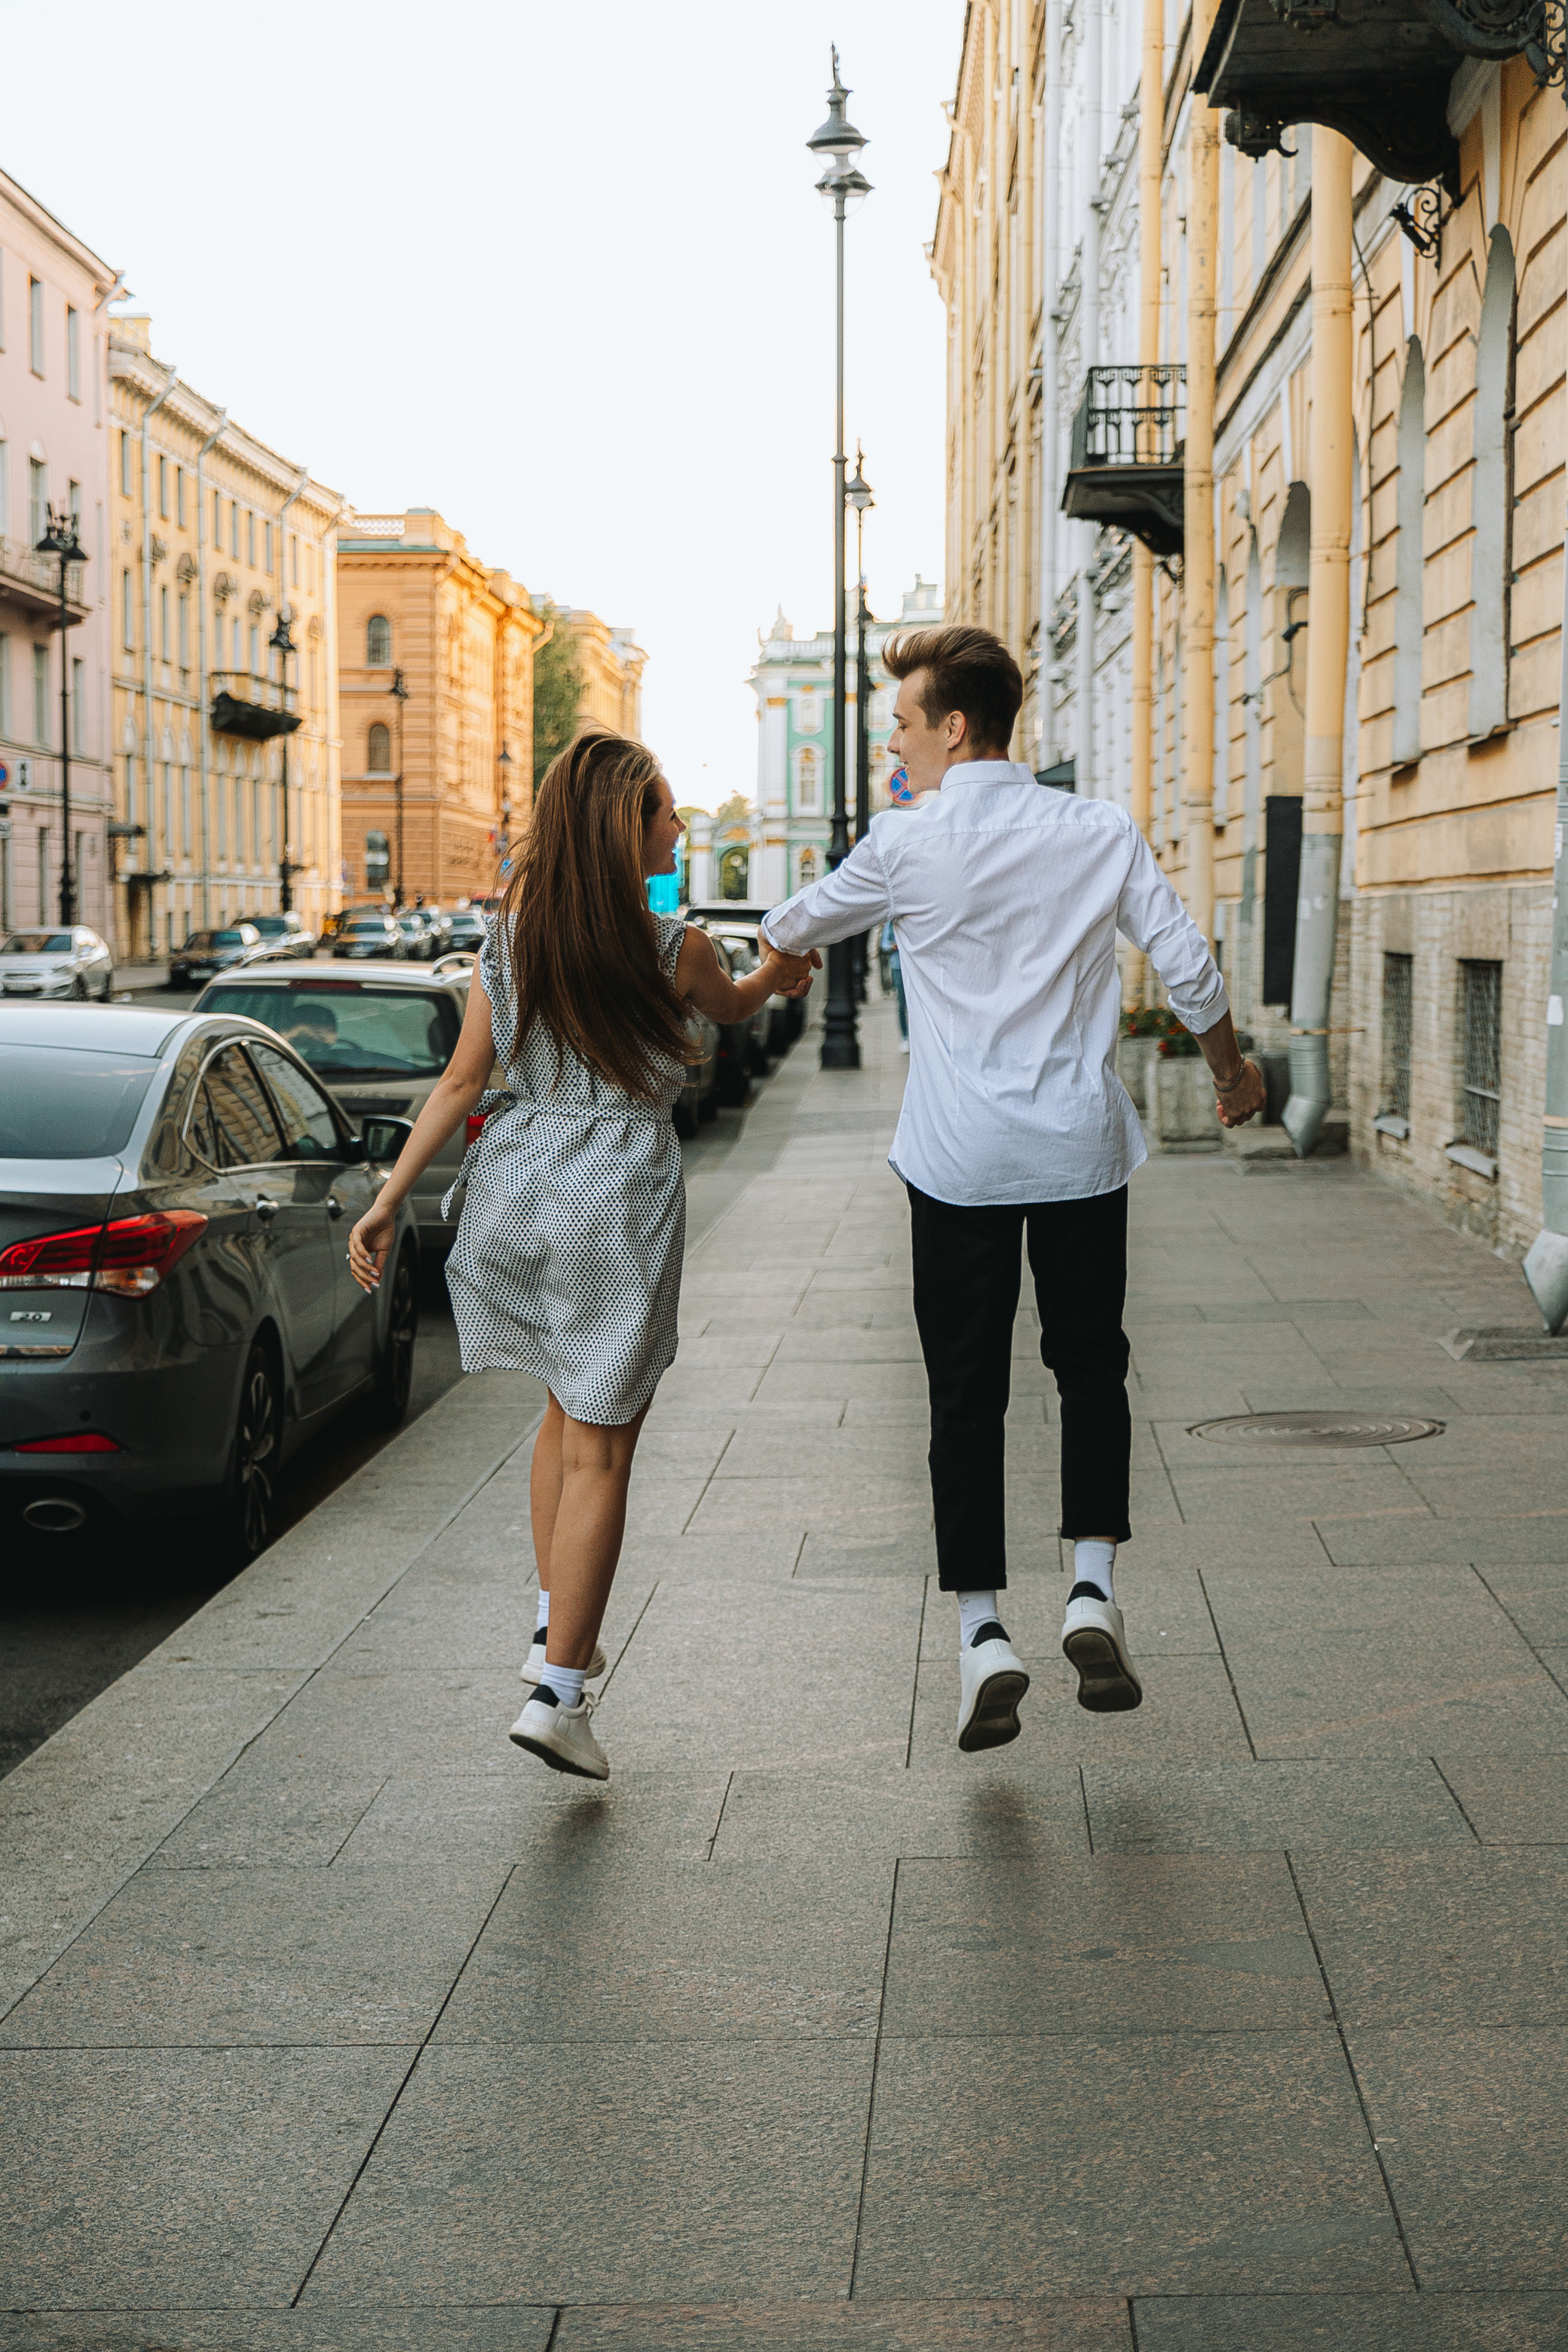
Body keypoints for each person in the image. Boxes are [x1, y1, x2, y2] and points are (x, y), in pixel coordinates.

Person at [762, 624, 1264, 1747]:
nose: (893, 746)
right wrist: (1230, 1076)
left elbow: (794, 925)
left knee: (964, 1392)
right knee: (1091, 1367)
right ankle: (1090, 1589)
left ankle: (984, 1632)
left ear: (954, 727)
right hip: (1078, 1152)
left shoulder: (904, 844)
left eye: (903, 724)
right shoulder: (1096, 830)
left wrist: (782, 966)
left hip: (959, 1162)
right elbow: (1189, 968)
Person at [347, 729, 815, 1781]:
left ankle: (552, 1624)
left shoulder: (510, 938)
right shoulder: (674, 945)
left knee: (563, 1411)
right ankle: (559, 1696)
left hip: (518, 1182)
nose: (678, 827)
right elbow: (738, 1004)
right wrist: (781, 971)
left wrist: (387, 1199)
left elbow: (462, 1082)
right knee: (605, 1443)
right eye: (665, 812)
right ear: (622, 828)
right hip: (615, 1194)